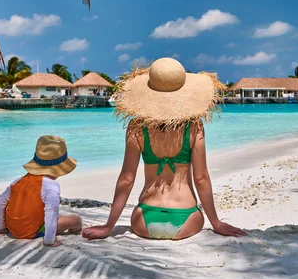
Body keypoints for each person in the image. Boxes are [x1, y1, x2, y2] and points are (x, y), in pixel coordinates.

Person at [82, 58, 246, 240]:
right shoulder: (194, 126)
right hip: (186, 217)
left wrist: (108, 226)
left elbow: (127, 179)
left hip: (144, 219)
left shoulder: (136, 126)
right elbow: (201, 178)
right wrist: (216, 223)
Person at [0, 135, 81, 247]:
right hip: (34, 231)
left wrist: (0, 228)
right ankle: (75, 232)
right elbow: (51, 211)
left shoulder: (17, 181)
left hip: (13, 228)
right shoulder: (51, 186)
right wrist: (50, 240)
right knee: (76, 220)